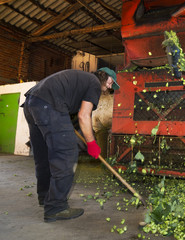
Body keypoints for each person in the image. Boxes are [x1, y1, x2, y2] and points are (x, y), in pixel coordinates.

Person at [23, 67, 119, 222]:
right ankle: (56, 208)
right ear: (103, 76)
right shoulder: (94, 83)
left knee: (44, 155)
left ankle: (46, 197)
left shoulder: (82, 79)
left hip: (32, 102)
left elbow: (75, 112)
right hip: (49, 104)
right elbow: (83, 115)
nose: (110, 87)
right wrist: (92, 143)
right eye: (110, 82)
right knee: (66, 154)